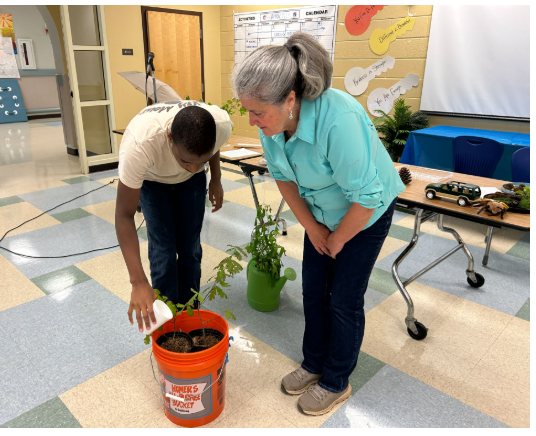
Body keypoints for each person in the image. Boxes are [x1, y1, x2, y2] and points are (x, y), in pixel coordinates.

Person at [232, 33, 406, 416]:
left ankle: (336, 380)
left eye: (258, 111)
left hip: (365, 211)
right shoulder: (273, 126)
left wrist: (339, 238)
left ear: (290, 100)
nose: (252, 120)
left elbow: (367, 196)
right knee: (314, 289)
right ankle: (313, 364)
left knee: (343, 298)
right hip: (321, 214)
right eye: (247, 110)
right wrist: (312, 229)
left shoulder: (337, 118)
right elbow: (283, 177)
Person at [115, 101, 233, 333]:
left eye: (200, 161)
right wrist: (137, 282)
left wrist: (216, 179)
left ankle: (190, 314)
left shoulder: (220, 124)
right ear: (170, 137)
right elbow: (124, 215)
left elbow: (212, 147)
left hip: (192, 186)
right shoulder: (140, 145)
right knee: (163, 250)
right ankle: (168, 323)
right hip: (153, 181)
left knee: (190, 248)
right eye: (185, 161)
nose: (191, 168)